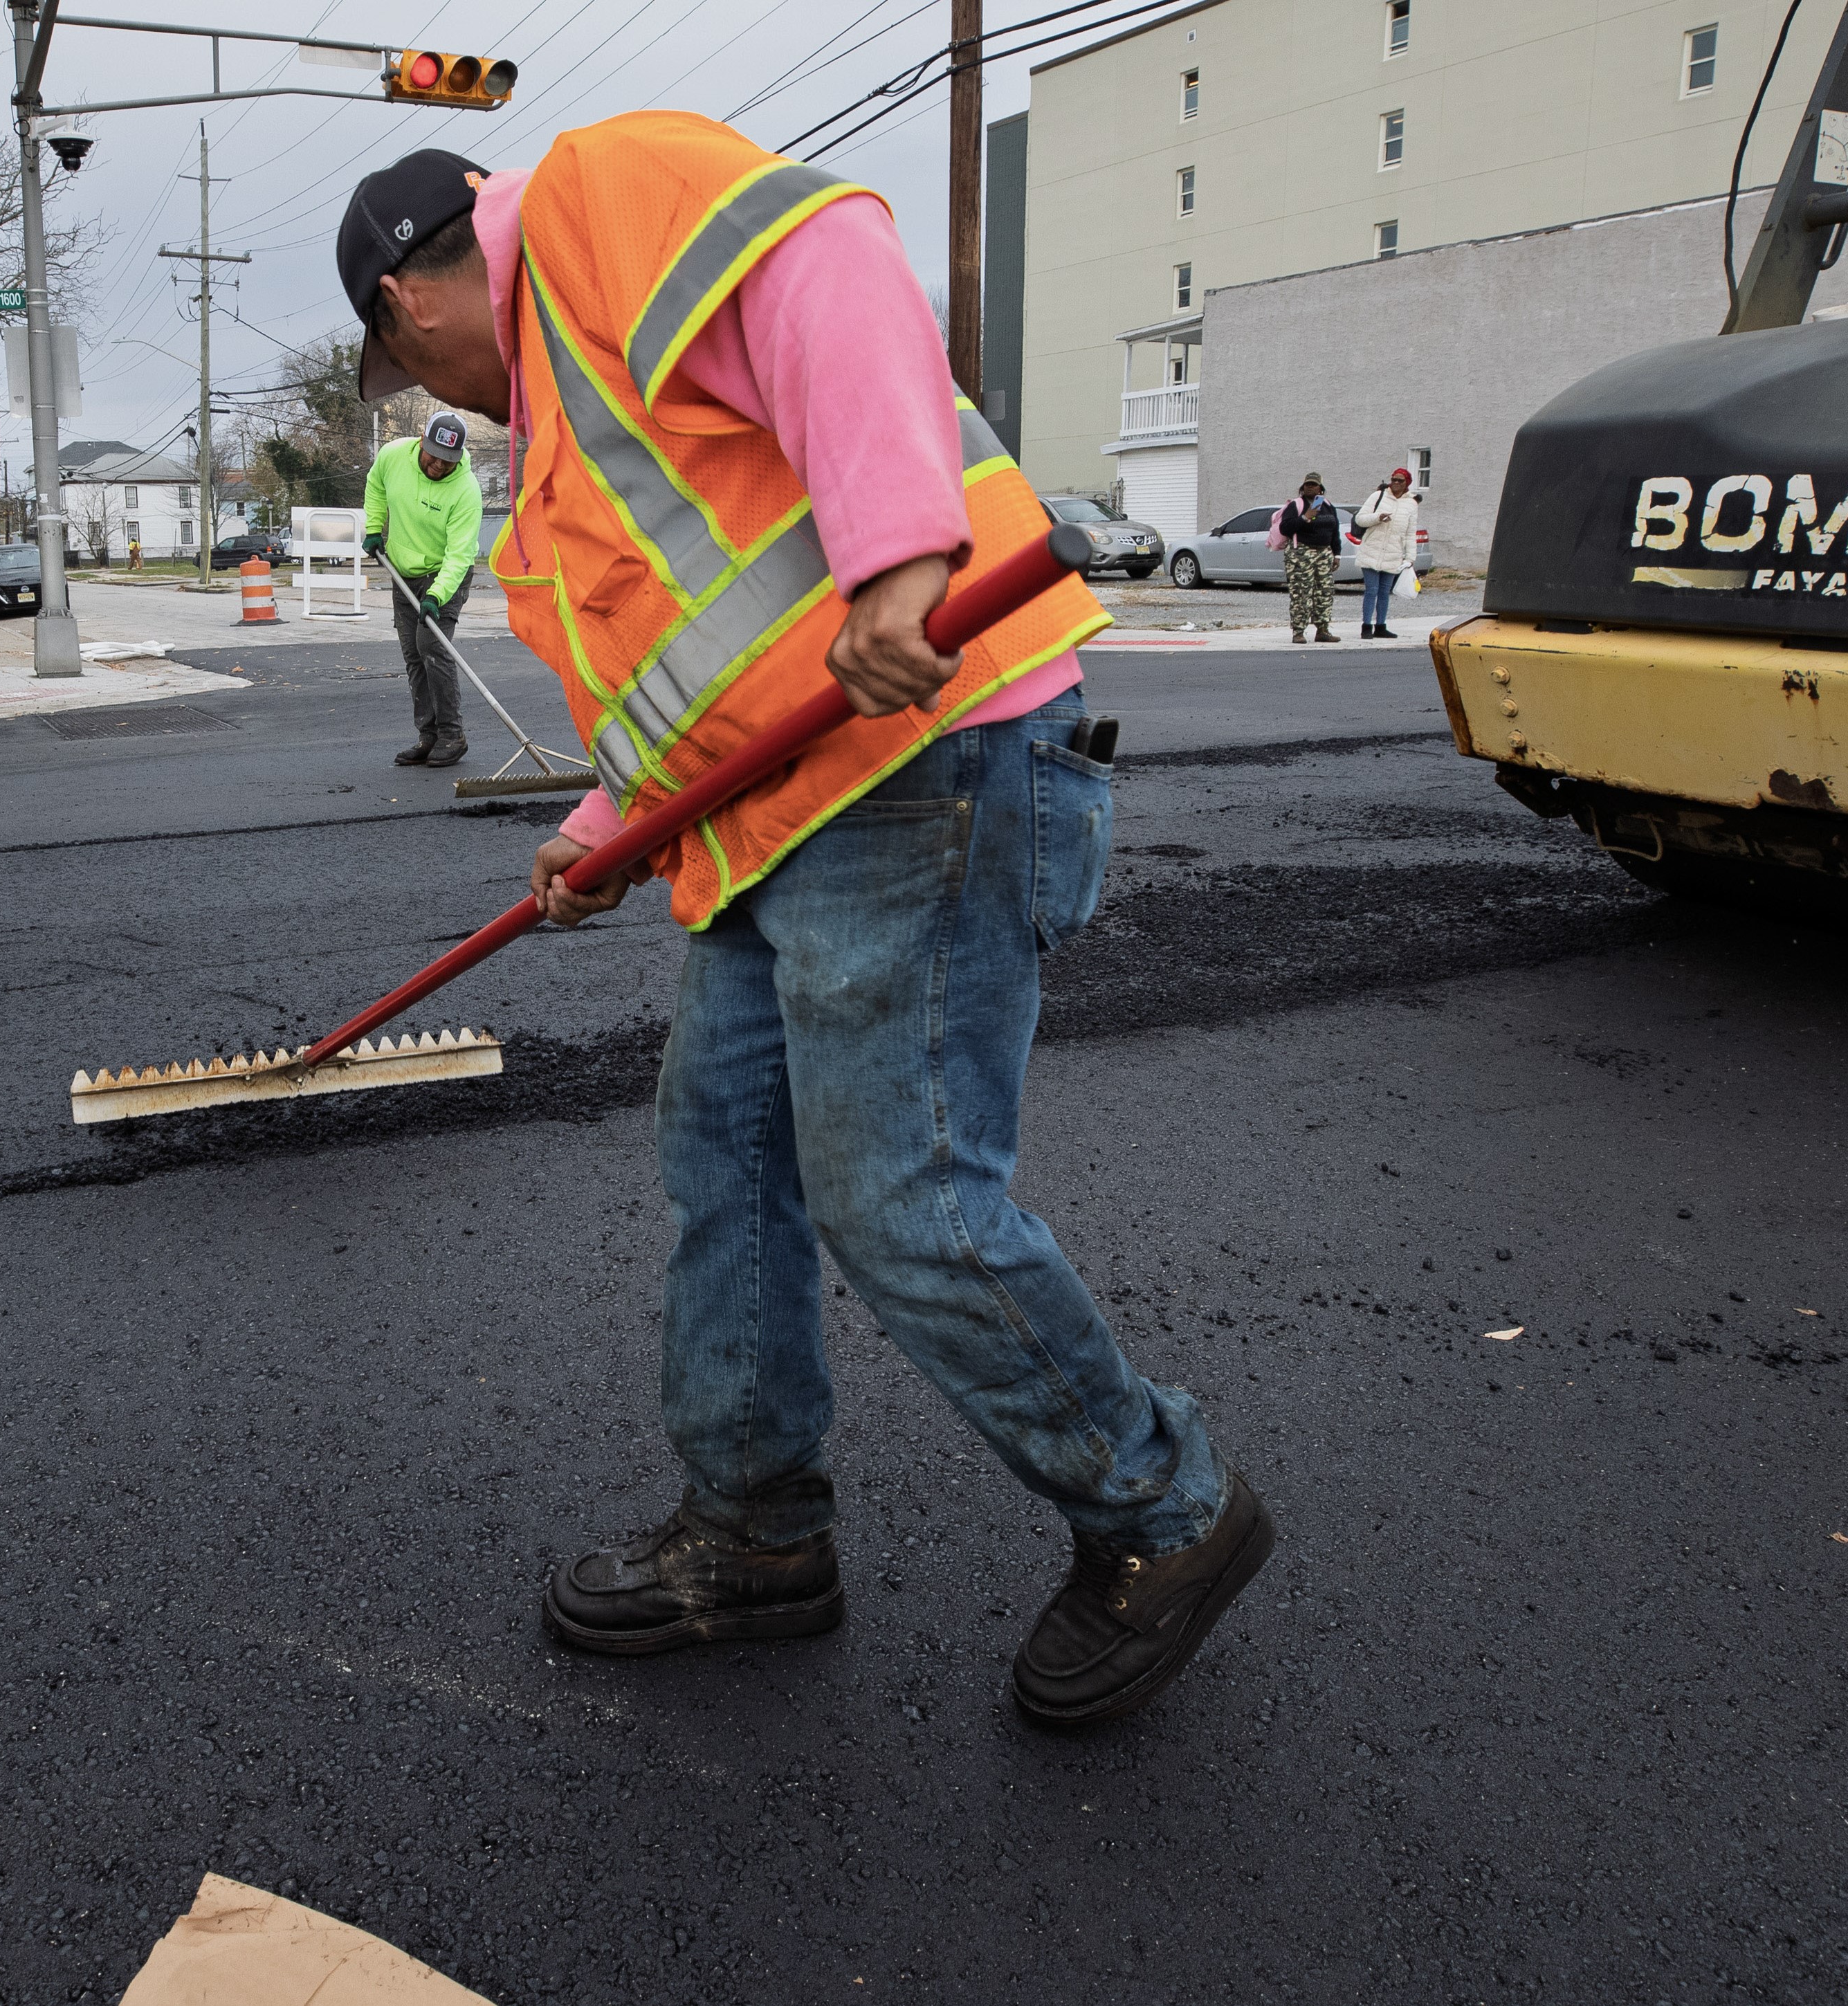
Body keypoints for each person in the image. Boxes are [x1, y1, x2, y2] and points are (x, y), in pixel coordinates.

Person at [340, 120, 1271, 1728]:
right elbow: (704, 675)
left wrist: (900, 559)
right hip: (785, 822)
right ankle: (757, 1531)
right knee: (724, 1156)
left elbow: (826, 266)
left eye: (410, 370)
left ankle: (1160, 1513)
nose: (440, 401)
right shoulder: (564, 447)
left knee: (896, 1189)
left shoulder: (584, 203)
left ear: (403, 300)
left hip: (929, 750)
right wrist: (598, 832)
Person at [362, 410, 483, 767]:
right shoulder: (393, 455)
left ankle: (452, 734)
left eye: (449, 461)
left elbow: (459, 557)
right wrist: (373, 527)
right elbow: (375, 484)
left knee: (431, 646)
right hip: (403, 571)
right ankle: (428, 736)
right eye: (435, 456)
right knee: (413, 654)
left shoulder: (466, 490)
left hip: (444, 574)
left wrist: (436, 595)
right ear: (421, 441)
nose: (440, 465)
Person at [1273, 473, 1343, 644]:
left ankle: (1322, 630)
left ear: (1321, 489)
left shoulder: (1327, 506)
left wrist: (1337, 554)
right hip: (1301, 554)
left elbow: (1335, 531)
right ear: (1303, 488)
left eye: (1314, 485)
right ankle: (1298, 632)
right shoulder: (1296, 506)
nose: (1310, 488)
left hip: (1324, 553)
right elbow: (1285, 528)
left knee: (1324, 593)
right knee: (1301, 594)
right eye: (1307, 485)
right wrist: (1305, 517)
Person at [1353, 466, 1420, 639]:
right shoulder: (1378, 496)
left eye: (1400, 481)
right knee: (1371, 590)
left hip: (1393, 553)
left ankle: (1381, 626)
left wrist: (1410, 557)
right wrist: (1377, 517)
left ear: (1407, 484)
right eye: (1394, 480)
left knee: (1385, 591)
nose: (1396, 483)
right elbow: (1360, 519)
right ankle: (1366, 626)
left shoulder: (1412, 504)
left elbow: (1410, 533)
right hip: (1372, 550)